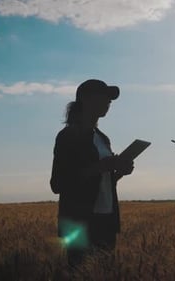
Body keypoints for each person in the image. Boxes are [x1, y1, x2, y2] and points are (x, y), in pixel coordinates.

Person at [50, 79, 134, 267]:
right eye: (104, 97)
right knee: (78, 271)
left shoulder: (102, 138)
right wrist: (100, 167)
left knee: (104, 272)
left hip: (106, 218)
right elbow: (57, 184)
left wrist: (120, 171)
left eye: (109, 99)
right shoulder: (68, 136)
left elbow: (103, 180)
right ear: (86, 100)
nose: (109, 102)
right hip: (78, 222)